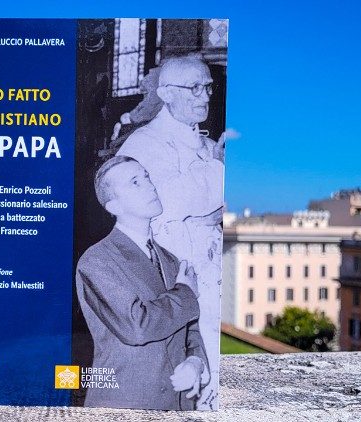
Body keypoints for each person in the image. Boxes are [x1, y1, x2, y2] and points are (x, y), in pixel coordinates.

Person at [116, 55, 224, 409]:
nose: (203, 96)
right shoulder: (143, 143)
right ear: (165, 93)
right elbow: (174, 202)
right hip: (176, 268)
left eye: (207, 87)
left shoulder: (206, 144)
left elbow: (216, 204)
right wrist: (217, 172)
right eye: (193, 87)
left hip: (212, 261)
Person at [75, 155, 209, 410]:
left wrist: (195, 362)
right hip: (124, 405)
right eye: (135, 182)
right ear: (114, 205)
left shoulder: (170, 260)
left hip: (177, 405)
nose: (150, 185)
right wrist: (185, 292)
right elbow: (137, 326)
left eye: (146, 177)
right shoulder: (96, 260)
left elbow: (189, 328)